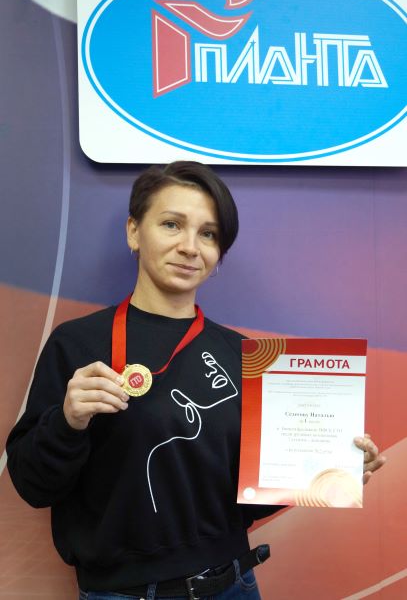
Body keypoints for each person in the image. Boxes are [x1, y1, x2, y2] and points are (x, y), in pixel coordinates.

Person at [6, 162, 386, 600]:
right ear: (134, 232)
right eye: (172, 224)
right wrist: (67, 422)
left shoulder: (247, 357)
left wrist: (329, 467)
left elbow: (249, 496)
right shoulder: (77, 344)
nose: (190, 247)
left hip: (233, 585)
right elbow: (33, 486)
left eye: (208, 234)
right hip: (124, 592)